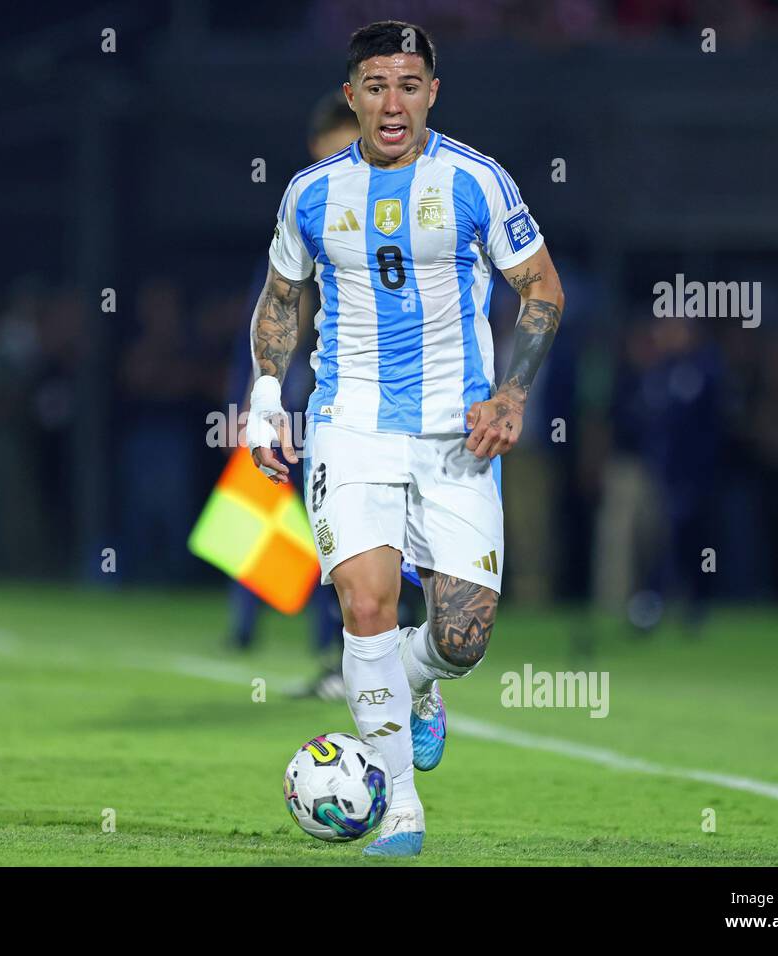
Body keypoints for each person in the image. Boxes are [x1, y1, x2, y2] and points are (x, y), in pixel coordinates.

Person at [246, 21, 565, 856]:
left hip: (456, 433)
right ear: (352, 95)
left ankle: (419, 689)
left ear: (432, 93)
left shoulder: (476, 181)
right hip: (350, 426)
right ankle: (401, 811)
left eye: (410, 84)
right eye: (377, 85)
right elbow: (282, 300)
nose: (394, 103)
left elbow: (539, 288)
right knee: (367, 604)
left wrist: (513, 391)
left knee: (462, 638)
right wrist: (265, 396)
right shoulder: (311, 194)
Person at [225, 92, 360, 700]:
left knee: (350, 532)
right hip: (307, 398)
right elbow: (282, 310)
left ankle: (363, 657)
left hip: (366, 401)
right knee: (287, 515)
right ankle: (270, 631)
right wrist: (259, 397)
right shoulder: (308, 214)